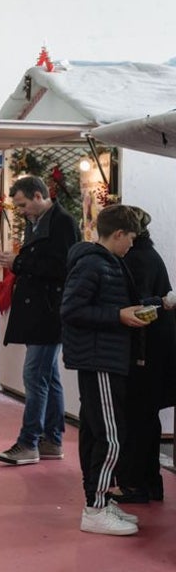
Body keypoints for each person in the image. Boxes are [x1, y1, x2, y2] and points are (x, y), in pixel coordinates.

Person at [60, 204, 161, 535]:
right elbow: (72, 309)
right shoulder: (94, 264)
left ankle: (98, 499)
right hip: (100, 358)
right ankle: (96, 507)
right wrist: (118, 316)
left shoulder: (105, 263)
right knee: (111, 436)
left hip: (105, 356)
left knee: (96, 432)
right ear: (118, 234)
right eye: (130, 238)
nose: (132, 244)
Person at [0, 176, 80, 465]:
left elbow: (61, 266)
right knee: (48, 376)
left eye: (23, 204)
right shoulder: (39, 222)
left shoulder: (62, 223)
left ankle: (29, 442)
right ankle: (52, 439)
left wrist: (17, 263)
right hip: (42, 310)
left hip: (48, 311)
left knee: (35, 376)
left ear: (40, 195)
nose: (22, 210)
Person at [113, 207, 176, 503]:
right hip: (155, 351)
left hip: (145, 353)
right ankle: (147, 482)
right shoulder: (147, 257)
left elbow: (140, 309)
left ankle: (136, 482)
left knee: (137, 417)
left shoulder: (136, 261)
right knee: (145, 417)